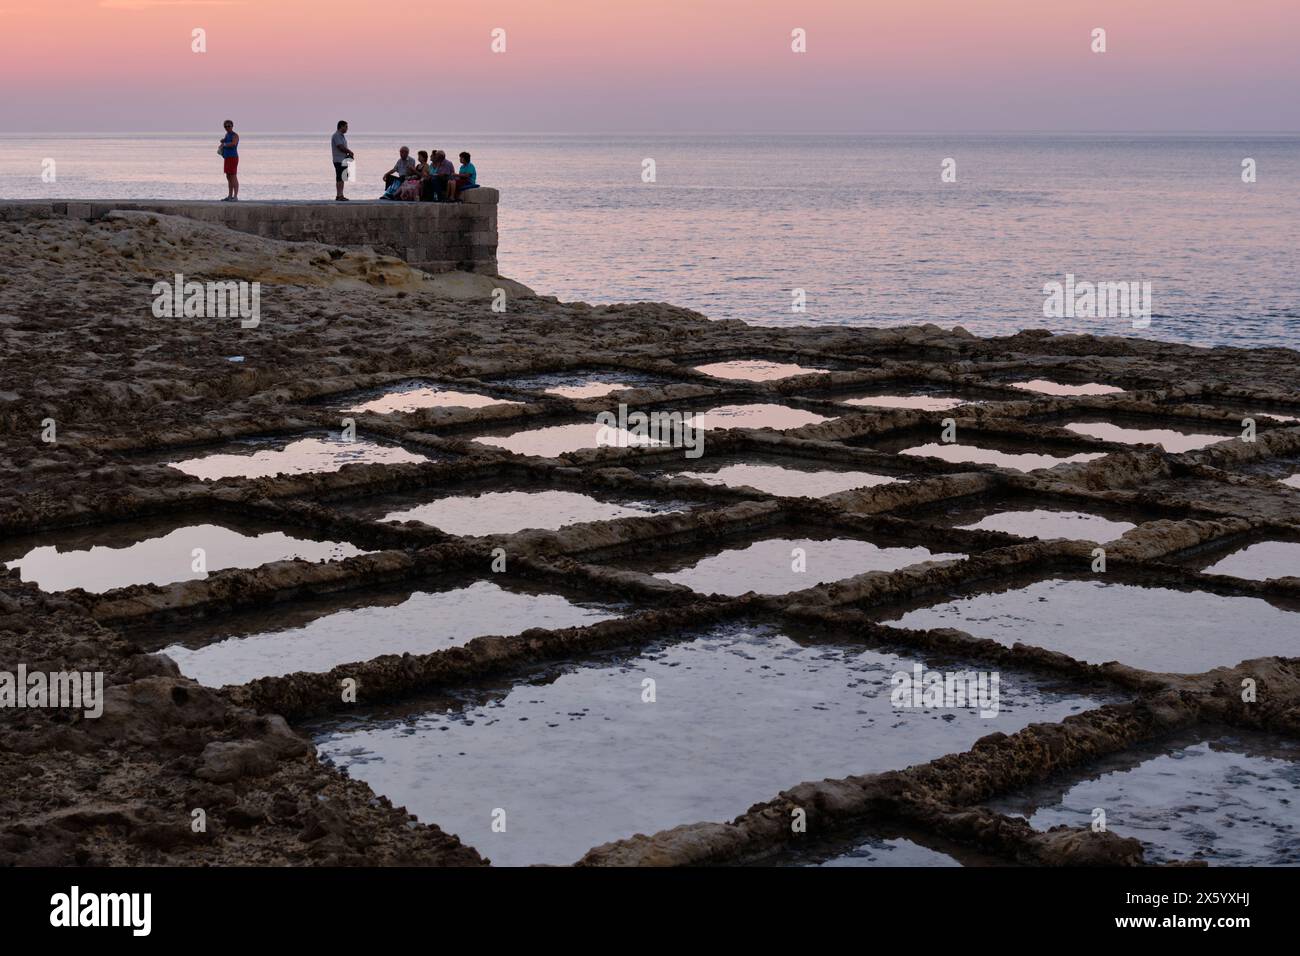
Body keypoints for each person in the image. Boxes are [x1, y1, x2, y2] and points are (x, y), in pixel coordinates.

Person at [332, 121, 354, 201]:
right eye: (346, 127)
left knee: (343, 178)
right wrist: (349, 151)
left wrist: (348, 155)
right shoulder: (337, 135)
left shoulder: (342, 136)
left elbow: (343, 147)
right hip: (338, 160)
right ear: (341, 126)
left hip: (343, 159)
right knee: (339, 178)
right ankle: (339, 195)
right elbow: (340, 147)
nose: (347, 129)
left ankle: (341, 195)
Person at [218, 120, 239, 201]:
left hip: (233, 157)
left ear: (232, 126)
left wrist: (225, 144)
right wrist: (223, 141)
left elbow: (234, 143)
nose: (227, 128)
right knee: (228, 176)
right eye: (225, 126)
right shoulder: (227, 135)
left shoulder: (235, 135)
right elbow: (226, 142)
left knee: (233, 176)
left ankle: (235, 196)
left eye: (229, 126)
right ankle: (230, 196)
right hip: (227, 158)